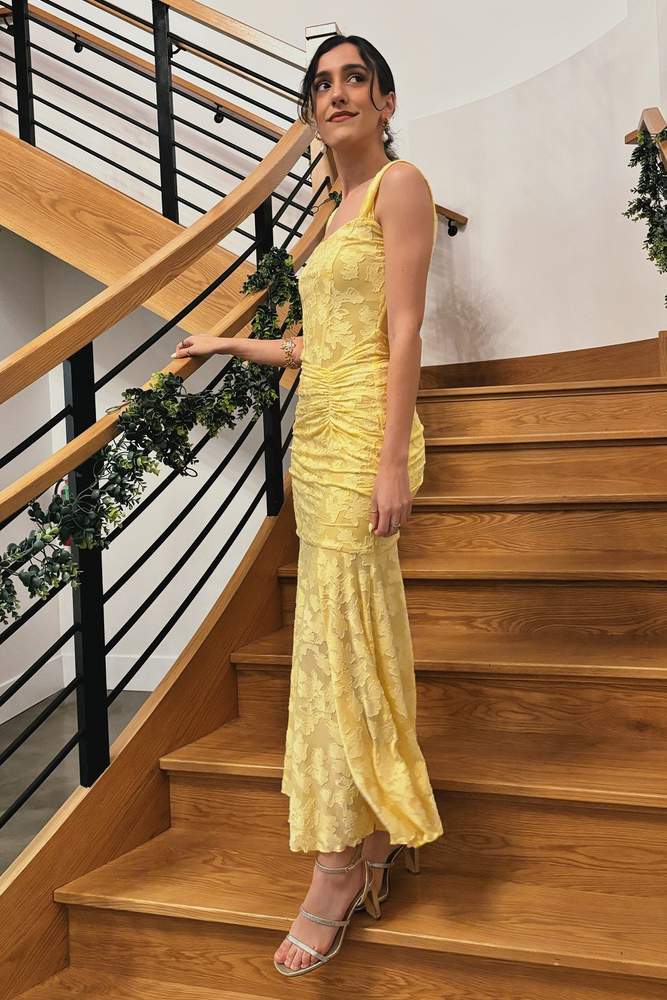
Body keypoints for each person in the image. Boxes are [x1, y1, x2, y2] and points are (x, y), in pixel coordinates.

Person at [171, 32, 443, 979]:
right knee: (340, 636)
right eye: (322, 84)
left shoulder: (400, 186)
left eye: (354, 79)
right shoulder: (327, 218)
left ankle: (336, 865)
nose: (337, 94)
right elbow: (311, 345)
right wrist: (225, 345)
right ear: (310, 110)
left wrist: (391, 463)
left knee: (341, 640)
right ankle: (372, 830)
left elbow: (403, 329)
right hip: (318, 434)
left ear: (385, 102)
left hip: (366, 436)